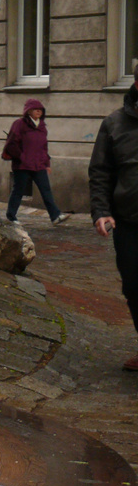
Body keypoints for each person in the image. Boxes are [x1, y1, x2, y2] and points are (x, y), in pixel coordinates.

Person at [90, 80, 138, 368]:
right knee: (133, 286)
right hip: (129, 222)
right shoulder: (114, 124)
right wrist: (101, 210)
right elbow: (100, 171)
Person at [2, 98, 67, 224]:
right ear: (28, 111)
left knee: (45, 190)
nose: (38, 112)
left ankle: (55, 216)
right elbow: (11, 144)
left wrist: (47, 163)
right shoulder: (19, 124)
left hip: (39, 165)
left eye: (40, 110)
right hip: (22, 166)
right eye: (35, 109)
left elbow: (44, 147)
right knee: (18, 190)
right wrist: (22, 157)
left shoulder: (42, 127)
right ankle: (11, 216)